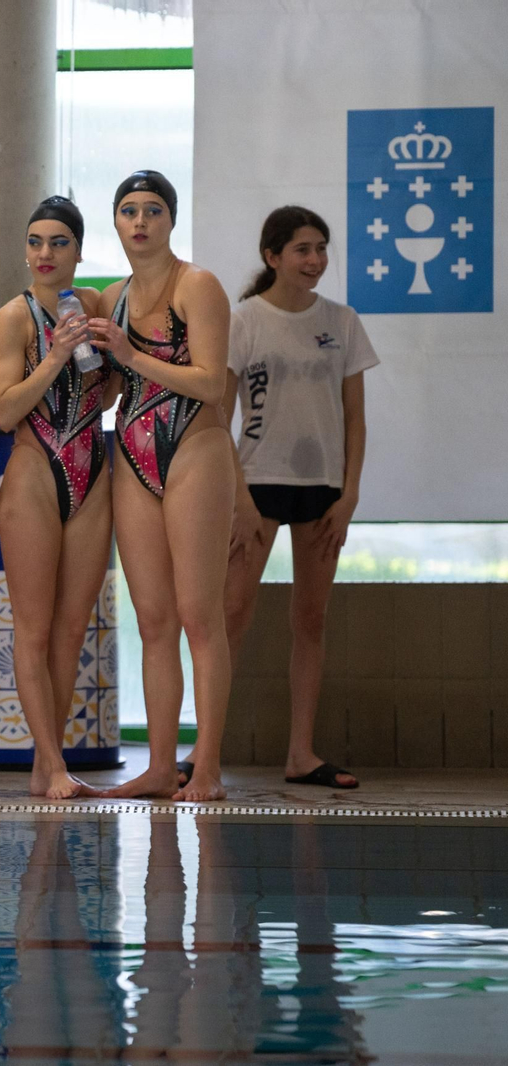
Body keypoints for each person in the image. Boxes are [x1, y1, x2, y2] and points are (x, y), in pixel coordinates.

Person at [87, 171, 233, 802]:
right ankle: (157, 766)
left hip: (195, 450)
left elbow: (209, 383)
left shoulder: (195, 285)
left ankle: (206, 769)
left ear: (171, 220)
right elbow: (117, 391)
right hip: (136, 455)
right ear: (115, 223)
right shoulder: (114, 295)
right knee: (153, 621)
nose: (140, 221)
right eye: (128, 211)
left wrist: (128, 350)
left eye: (152, 210)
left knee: (200, 618)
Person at [219, 206, 373, 790]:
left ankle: (301, 754)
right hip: (256, 484)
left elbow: (355, 418)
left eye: (321, 249)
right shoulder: (243, 321)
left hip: (323, 491)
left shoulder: (343, 321)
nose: (315, 261)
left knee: (311, 619)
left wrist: (350, 494)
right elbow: (218, 416)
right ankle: (203, 751)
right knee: (230, 616)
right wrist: (240, 501)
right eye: (303, 250)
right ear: (273, 256)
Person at [0, 195, 115, 800]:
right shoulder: (12, 319)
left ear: (79, 251)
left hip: (91, 475)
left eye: (58, 243)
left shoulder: (90, 307)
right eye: (35, 242)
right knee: (33, 630)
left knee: (71, 631)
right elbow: (5, 409)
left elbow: (107, 396)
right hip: (34, 473)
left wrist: (107, 354)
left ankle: (50, 766)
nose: (44, 253)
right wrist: (58, 355)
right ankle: (50, 761)